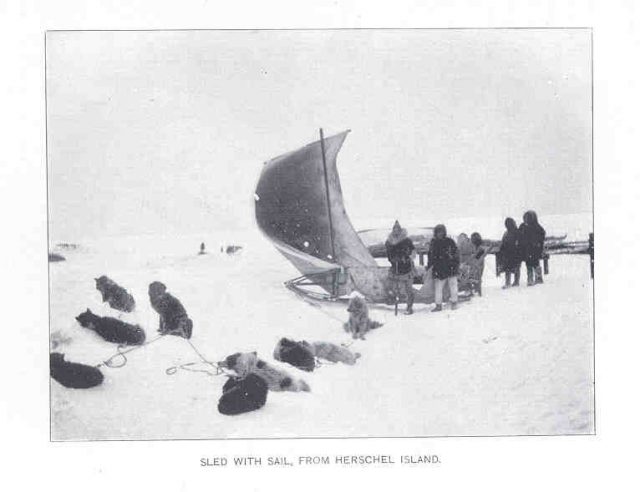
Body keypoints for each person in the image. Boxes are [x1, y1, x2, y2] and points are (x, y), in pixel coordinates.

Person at [385, 220, 416, 315]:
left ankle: (409, 307)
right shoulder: (389, 242)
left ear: (400, 229)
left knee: (408, 289)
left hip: (407, 268)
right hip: (395, 268)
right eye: (394, 229)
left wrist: (408, 257)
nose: (396, 231)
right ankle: (393, 301)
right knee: (393, 287)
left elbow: (413, 250)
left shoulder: (407, 240)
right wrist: (393, 260)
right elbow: (388, 254)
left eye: (398, 229)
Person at [427, 224, 460, 311]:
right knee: (438, 288)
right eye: (438, 232)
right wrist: (429, 266)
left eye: (441, 231)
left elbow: (456, 254)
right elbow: (430, 255)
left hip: (451, 267)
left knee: (453, 286)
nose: (440, 233)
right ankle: (438, 305)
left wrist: (455, 264)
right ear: (435, 232)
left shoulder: (450, 241)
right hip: (439, 268)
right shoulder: (433, 242)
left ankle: (454, 302)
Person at [518, 210, 546, 286]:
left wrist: (537, 242)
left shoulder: (536, 227)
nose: (526, 219)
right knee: (528, 264)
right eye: (525, 218)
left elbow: (542, 234)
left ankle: (538, 278)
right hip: (526, 249)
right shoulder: (523, 226)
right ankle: (530, 279)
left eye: (527, 218)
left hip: (535, 249)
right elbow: (519, 234)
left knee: (535, 263)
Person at [499, 217, 522, 288]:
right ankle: (508, 282)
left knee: (516, 267)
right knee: (507, 268)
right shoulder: (506, 233)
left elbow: (520, 242)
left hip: (515, 253)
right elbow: (503, 243)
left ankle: (516, 281)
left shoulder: (517, 232)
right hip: (507, 253)